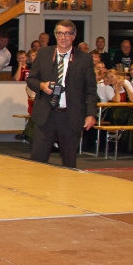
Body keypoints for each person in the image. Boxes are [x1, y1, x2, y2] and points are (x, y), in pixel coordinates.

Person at [26, 20, 97, 168]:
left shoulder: (84, 59)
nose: (63, 37)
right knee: (37, 162)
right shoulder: (44, 53)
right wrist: (42, 85)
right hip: (46, 115)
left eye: (67, 33)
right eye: (60, 33)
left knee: (69, 163)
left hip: (70, 116)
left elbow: (91, 90)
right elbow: (31, 79)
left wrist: (91, 114)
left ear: (74, 36)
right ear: (55, 35)